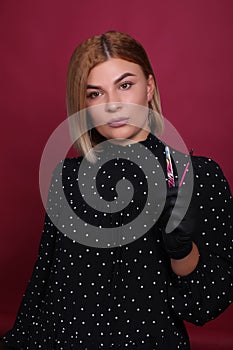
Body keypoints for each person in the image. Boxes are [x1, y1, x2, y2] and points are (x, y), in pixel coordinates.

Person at [1, 30, 233, 350]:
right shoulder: (67, 177)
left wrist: (182, 250)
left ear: (149, 87)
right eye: (95, 93)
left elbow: (206, 305)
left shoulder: (196, 176)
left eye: (125, 85)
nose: (112, 105)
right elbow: (42, 291)